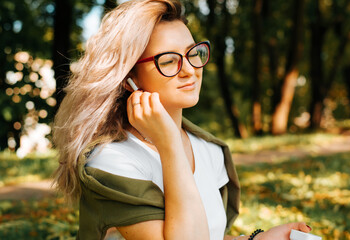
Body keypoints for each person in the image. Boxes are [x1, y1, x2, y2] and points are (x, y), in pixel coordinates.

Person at [52, 0, 312, 239]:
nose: (189, 70)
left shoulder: (208, 150)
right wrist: (169, 144)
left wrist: (255, 239)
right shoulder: (112, 162)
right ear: (130, 77)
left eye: (193, 53)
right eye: (168, 60)